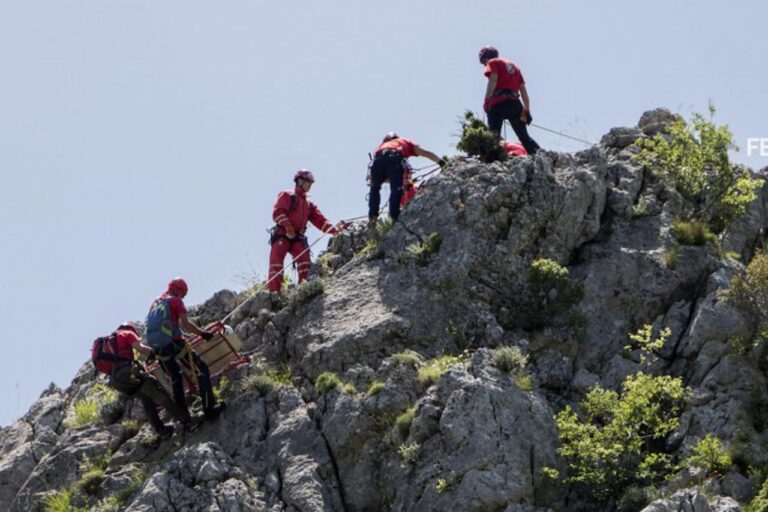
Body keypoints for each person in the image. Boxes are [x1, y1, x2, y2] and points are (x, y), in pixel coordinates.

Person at [145, 278, 225, 420]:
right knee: (201, 370)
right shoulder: (175, 301)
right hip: (175, 344)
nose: (183, 298)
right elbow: (185, 325)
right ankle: (209, 410)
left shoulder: (155, 303)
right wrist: (202, 333)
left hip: (159, 349)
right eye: (183, 294)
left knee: (175, 379)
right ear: (178, 290)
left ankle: (185, 420)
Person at [102, 322, 190, 436]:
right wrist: (157, 353)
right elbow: (141, 349)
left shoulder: (109, 343)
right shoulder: (127, 333)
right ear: (131, 329)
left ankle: (161, 430)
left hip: (117, 381)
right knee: (158, 393)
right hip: (128, 372)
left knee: (146, 399)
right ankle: (185, 420)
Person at [268, 170, 346, 293]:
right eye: (308, 182)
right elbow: (278, 212)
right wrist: (288, 226)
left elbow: (321, 222)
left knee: (304, 261)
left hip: (297, 237)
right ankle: (274, 293)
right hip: (282, 234)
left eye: (311, 182)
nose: (310, 185)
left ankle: (302, 290)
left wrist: (337, 231)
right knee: (276, 263)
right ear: (300, 181)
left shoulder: (309, 204)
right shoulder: (287, 195)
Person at [368, 132, 444, 225]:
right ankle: (394, 217)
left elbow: (382, 177)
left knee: (374, 189)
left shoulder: (380, 147)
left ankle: (372, 217)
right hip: (394, 156)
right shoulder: (403, 141)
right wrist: (440, 162)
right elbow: (426, 153)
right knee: (396, 189)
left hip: (378, 161)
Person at [479, 46, 540, 155]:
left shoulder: (493, 62)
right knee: (524, 137)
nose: (484, 64)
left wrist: (487, 100)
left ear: (488, 56)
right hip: (515, 104)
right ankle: (542, 155)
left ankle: (493, 160)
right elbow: (523, 91)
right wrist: (527, 110)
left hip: (497, 103)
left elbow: (493, 80)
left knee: (493, 136)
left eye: (484, 61)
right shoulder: (515, 67)